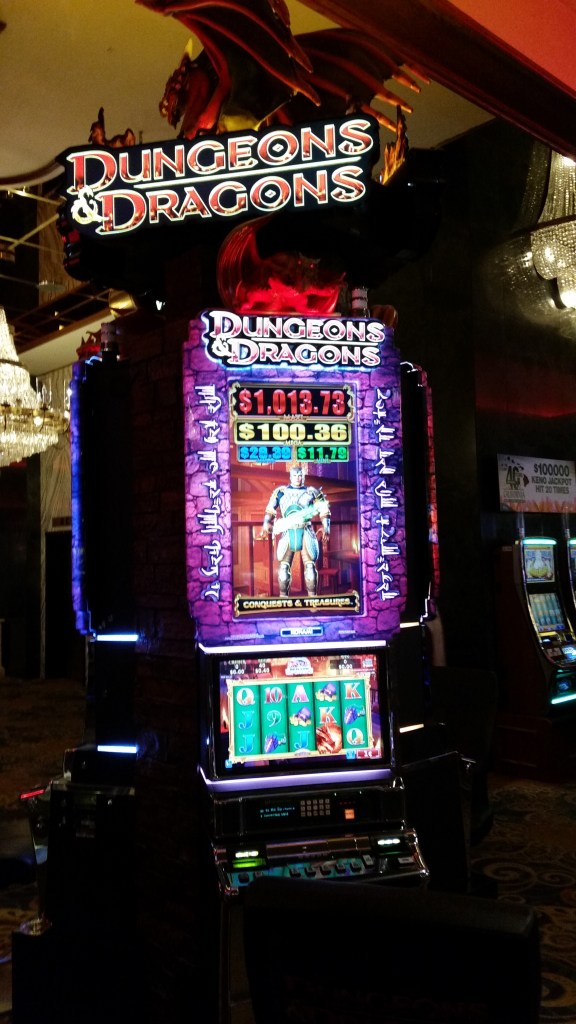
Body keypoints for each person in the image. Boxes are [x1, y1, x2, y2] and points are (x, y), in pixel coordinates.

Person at [260, 464, 330, 597]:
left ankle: (312, 600)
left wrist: (326, 527)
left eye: (300, 475)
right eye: (295, 475)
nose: (298, 478)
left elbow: (324, 510)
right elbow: (270, 509)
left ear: (303, 476)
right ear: (291, 476)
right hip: (288, 530)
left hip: (305, 530)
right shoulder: (281, 492)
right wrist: (265, 523)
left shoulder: (311, 492)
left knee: (310, 567)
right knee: (283, 568)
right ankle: (283, 599)